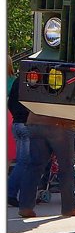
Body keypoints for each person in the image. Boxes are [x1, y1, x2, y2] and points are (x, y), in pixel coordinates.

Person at [17, 111, 75, 219]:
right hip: (61, 123)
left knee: (34, 166)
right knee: (67, 167)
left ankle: (25, 206)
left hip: (35, 121)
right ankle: (70, 206)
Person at [7, 57, 32, 207]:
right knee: (24, 162)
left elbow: (10, 103)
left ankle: (16, 192)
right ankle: (10, 192)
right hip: (25, 124)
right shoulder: (28, 84)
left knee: (22, 161)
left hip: (16, 123)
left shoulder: (17, 82)